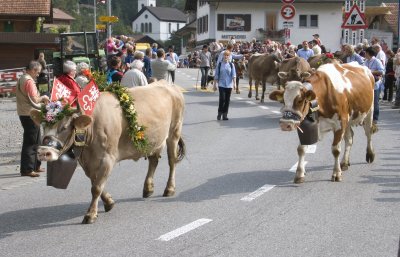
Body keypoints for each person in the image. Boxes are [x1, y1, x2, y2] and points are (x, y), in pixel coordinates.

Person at [16, 61, 49, 177]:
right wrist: (44, 97)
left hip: (25, 113)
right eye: (37, 72)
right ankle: (27, 169)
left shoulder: (22, 78)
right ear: (33, 70)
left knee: (36, 140)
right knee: (30, 142)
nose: (38, 75)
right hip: (30, 113)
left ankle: (36, 165)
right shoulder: (29, 81)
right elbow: (35, 99)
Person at [363, 47, 384, 124]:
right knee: (367, 102)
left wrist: (370, 71)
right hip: (367, 84)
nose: (364, 54)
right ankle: (366, 118)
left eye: (365, 53)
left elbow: (381, 71)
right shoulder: (366, 61)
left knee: (375, 102)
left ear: (368, 53)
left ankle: (375, 118)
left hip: (375, 84)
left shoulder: (376, 61)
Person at [213, 50, 236, 121]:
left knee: (227, 100)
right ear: (223, 56)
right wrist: (214, 85)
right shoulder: (219, 64)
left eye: (227, 55)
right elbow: (216, 75)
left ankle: (225, 114)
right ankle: (220, 113)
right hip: (221, 84)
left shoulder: (231, 65)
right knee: (222, 99)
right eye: (225, 55)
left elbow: (233, 75)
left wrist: (235, 84)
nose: (226, 56)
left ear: (229, 57)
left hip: (229, 85)